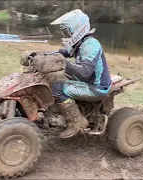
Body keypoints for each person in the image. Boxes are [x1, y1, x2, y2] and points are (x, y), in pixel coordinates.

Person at [50, 9, 112, 139]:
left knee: (56, 87)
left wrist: (65, 63)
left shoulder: (91, 45)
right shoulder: (80, 43)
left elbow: (84, 73)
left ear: (77, 30)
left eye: (67, 32)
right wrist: (43, 55)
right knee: (53, 77)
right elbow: (63, 52)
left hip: (96, 88)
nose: (66, 35)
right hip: (86, 82)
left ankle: (76, 122)